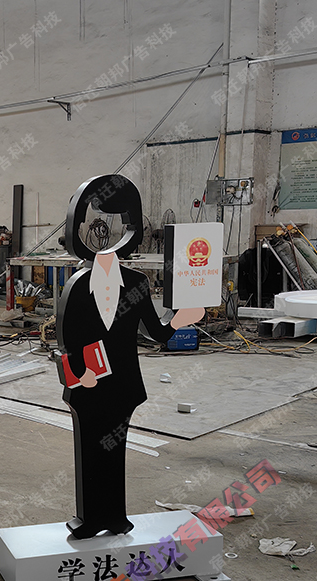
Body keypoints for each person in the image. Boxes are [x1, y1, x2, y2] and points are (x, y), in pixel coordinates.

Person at [57, 174, 203, 539]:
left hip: (123, 384)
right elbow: (67, 339)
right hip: (90, 384)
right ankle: (91, 518)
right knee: (92, 449)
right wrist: (79, 372)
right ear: (76, 229)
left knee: (115, 448)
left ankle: (115, 516)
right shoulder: (77, 286)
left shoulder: (137, 283)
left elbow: (156, 332)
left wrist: (179, 319)